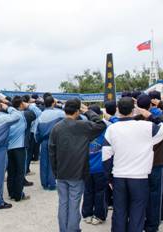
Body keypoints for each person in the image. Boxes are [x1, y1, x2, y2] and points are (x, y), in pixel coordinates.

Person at [102, 97, 163, 232]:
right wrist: (150, 116)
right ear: (134, 110)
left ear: (118, 110)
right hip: (140, 177)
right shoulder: (146, 126)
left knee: (119, 212)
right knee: (138, 212)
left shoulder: (112, 129)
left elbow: (106, 157)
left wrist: (109, 177)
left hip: (119, 176)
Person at [49, 99, 106, 232]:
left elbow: (51, 152)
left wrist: (55, 171)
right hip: (78, 172)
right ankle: (73, 229)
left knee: (63, 203)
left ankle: (64, 229)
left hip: (62, 172)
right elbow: (101, 124)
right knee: (74, 203)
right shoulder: (83, 126)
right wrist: (89, 112)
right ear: (77, 111)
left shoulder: (56, 127)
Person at [136, 94, 163, 232]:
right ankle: (152, 226)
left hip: (138, 164)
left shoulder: (134, 121)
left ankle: (138, 224)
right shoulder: (160, 121)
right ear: (151, 105)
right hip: (156, 163)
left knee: (138, 196)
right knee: (155, 195)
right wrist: (161, 103)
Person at [7, 96, 40, 201]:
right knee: (20, 172)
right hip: (20, 147)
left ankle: (11, 193)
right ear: (21, 104)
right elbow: (39, 113)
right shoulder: (25, 115)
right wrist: (29, 105)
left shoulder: (9, 114)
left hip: (9, 146)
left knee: (11, 171)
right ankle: (18, 195)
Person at [81, 105, 109, 226]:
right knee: (100, 192)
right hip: (100, 167)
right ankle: (99, 215)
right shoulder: (106, 128)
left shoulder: (83, 128)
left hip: (86, 167)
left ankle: (87, 214)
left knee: (87, 191)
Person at [34, 96, 65, 190]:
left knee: (44, 162)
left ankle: (44, 183)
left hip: (44, 142)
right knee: (53, 162)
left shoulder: (40, 116)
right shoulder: (59, 113)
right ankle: (52, 183)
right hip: (56, 141)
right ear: (53, 103)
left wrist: (39, 141)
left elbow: (36, 133)